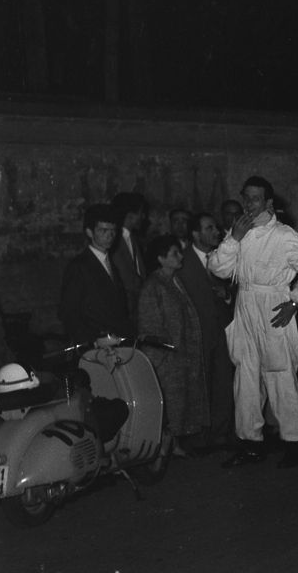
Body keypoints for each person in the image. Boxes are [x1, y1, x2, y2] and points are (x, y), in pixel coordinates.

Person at [208, 176, 298, 468]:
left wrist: (296, 300)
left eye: (255, 199)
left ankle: (295, 443)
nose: (248, 204)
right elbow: (218, 268)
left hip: (274, 309)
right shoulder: (240, 233)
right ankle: (250, 444)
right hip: (245, 308)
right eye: (245, 198)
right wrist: (233, 238)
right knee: (245, 379)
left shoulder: (284, 236)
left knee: (281, 376)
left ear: (269, 203)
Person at [137, 235, 209, 455]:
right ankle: (164, 445)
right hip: (166, 357)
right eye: (174, 253)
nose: (180, 257)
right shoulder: (154, 286)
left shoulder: (175, 281)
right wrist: (163, 352)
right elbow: (150, 324)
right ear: (161, 258)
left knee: (180, 401)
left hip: (181, 353)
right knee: (170, 401)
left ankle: (174, 443)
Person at [178, 212, 235, 451]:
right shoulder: (182, 261)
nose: (216, 232)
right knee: (200, 386)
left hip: (222, 331)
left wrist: (228, 295)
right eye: (209, 228)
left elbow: (235, 287)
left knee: (223, 383)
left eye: (216, 226)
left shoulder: (223, 257)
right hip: (197, 334)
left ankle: (221, 433)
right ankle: (200, 436)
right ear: (195, 233)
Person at [58, 203, 135, 345]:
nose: (110, 235)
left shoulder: (110, 264)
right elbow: (68, 313)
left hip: (116, 343)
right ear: (89, 232)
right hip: (95, 349)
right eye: (103, 230)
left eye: (113, 230)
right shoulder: (79, 266)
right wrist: (93, 341)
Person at [110, 191, 149, 329]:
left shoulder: (132, 239)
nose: (143, 217)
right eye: (141, 212)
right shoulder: (114, 242)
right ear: (130, 215)